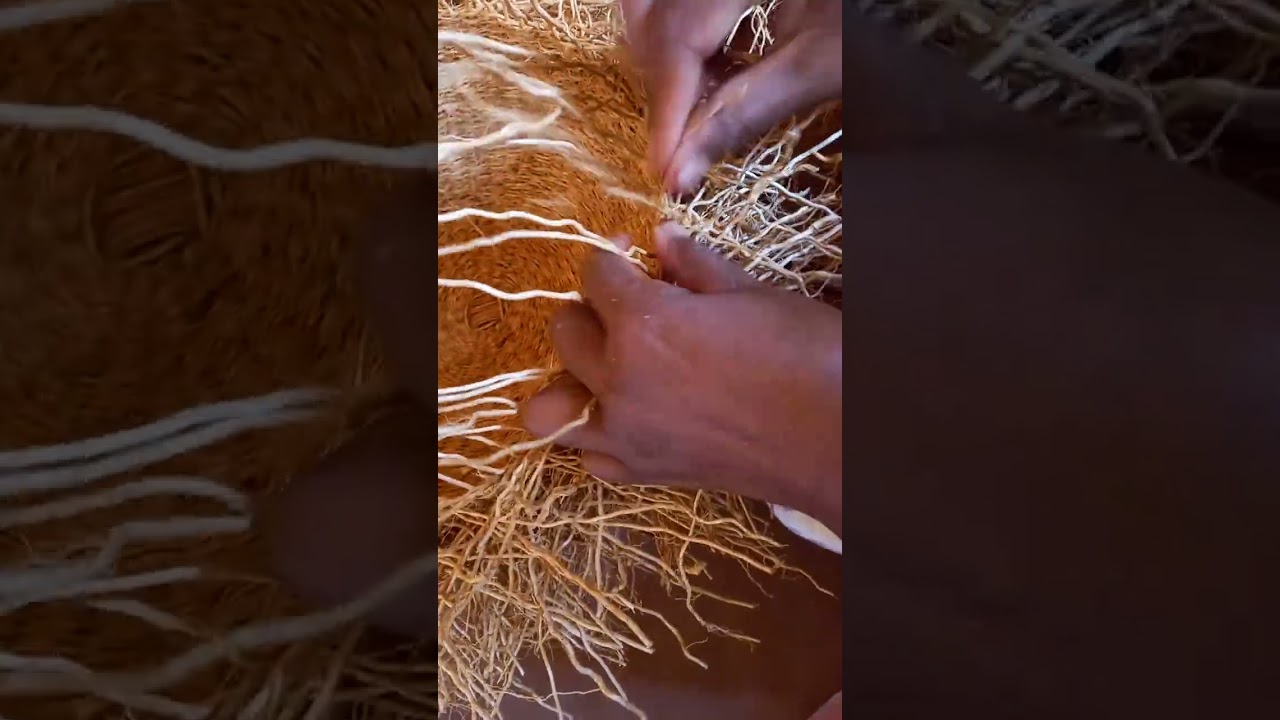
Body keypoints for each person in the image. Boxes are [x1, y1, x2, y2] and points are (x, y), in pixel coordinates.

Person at [271, 2, 1280, 718]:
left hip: (1067, 653)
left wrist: (812, 432)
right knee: (407, 261)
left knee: (334, 534)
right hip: (1156, 358)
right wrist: (830, 40)